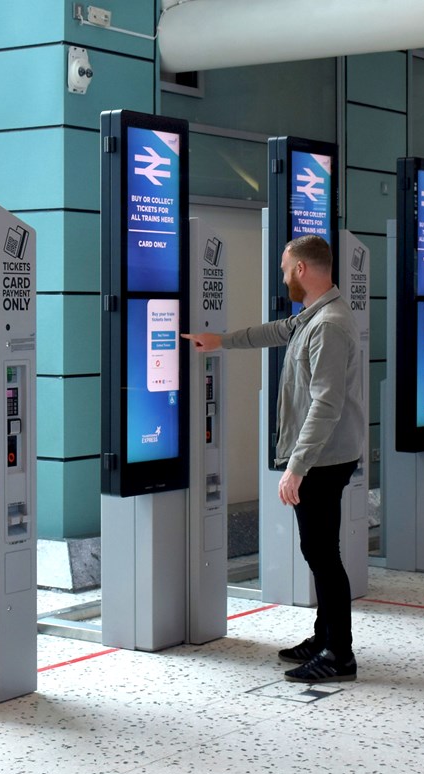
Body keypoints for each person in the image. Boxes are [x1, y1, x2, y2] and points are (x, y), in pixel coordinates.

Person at [182, 234, 365, 683]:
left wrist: (297, 468)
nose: (283, 277)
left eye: (285, 269)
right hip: (322, 456)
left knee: (322, 554)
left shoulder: (329, 325)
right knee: (319, 550)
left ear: (302, 269)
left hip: (323, 459)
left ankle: (339, 654)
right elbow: (274, 332)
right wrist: (219, 341)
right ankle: (324, 637)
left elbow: (326, 403)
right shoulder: (313, 316)